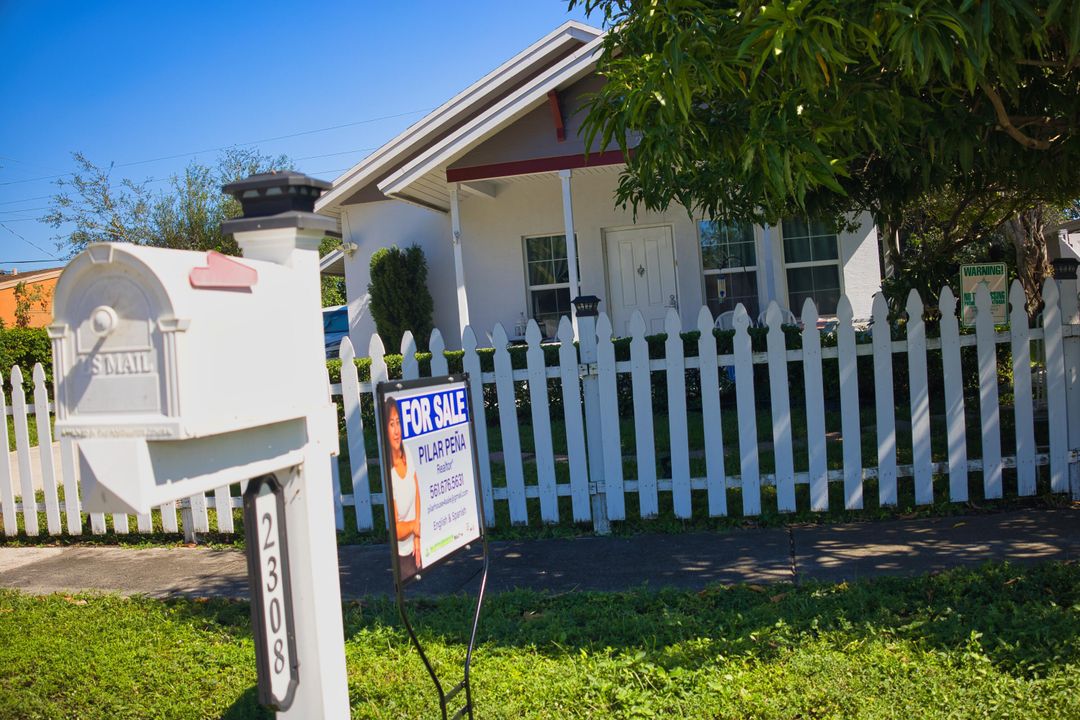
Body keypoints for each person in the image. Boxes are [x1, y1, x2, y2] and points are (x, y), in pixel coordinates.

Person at [385, 399, 422, 579]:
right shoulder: (389, 473)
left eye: (398, 422)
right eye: (391, 424)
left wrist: (417, 537)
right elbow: (397, 530)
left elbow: (417, 492)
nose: (397, 430)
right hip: (401, 555)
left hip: (415, 546)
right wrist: (414, 527)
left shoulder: (407, 451)